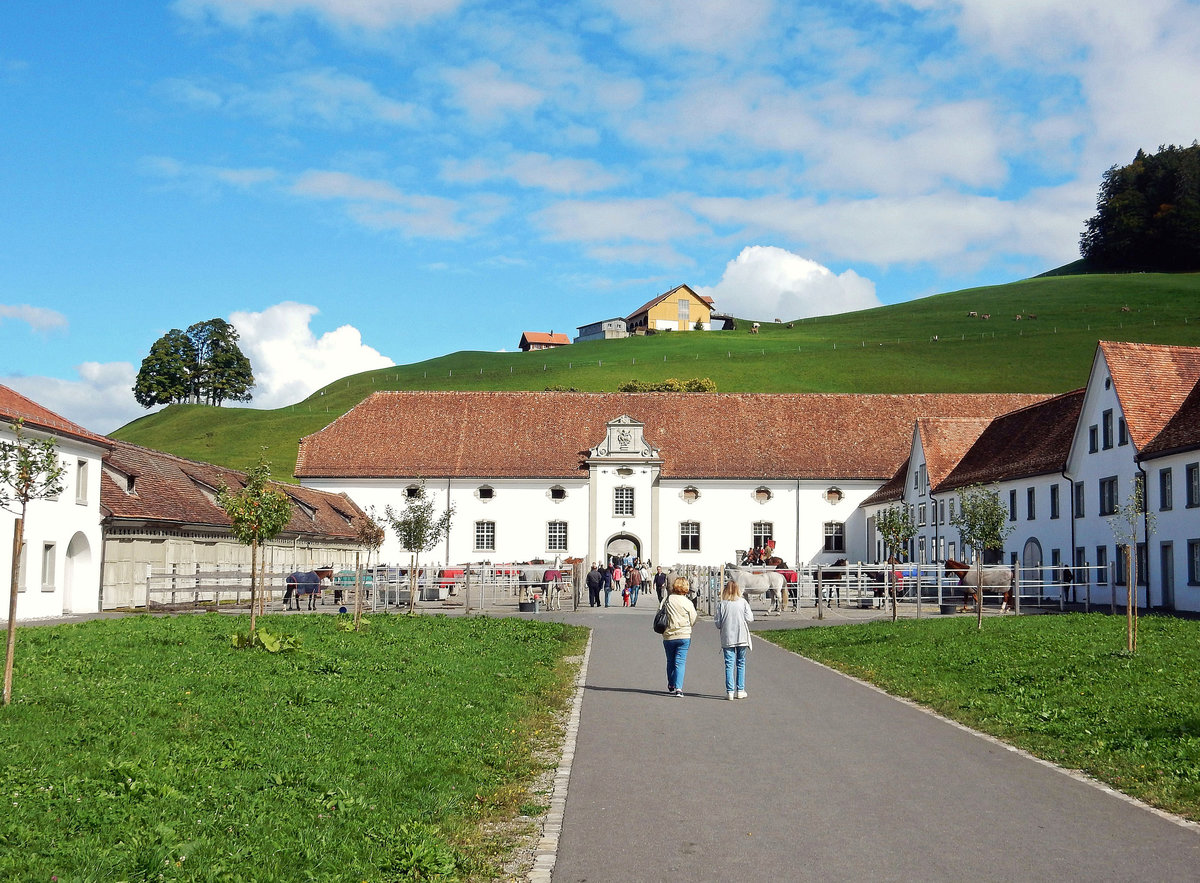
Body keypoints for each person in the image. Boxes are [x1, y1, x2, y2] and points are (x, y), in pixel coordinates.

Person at [714, 579, 754, 700]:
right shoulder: (743, 602)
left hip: (727, 637)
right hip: (741, 636)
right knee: (741, 663)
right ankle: (740, 689)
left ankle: (730, 691)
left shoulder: (722, 604)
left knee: (729, 664)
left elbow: (718, 623)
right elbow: (750, 618)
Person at [660, 576, 699, 696]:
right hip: (684, 635)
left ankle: (671, 683)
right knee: (680, 662)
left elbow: (660, 613)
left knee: (670, 660)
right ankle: (679, 688)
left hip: (669, 635)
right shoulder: (687, 602)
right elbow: (693, 618)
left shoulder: (667, 599)